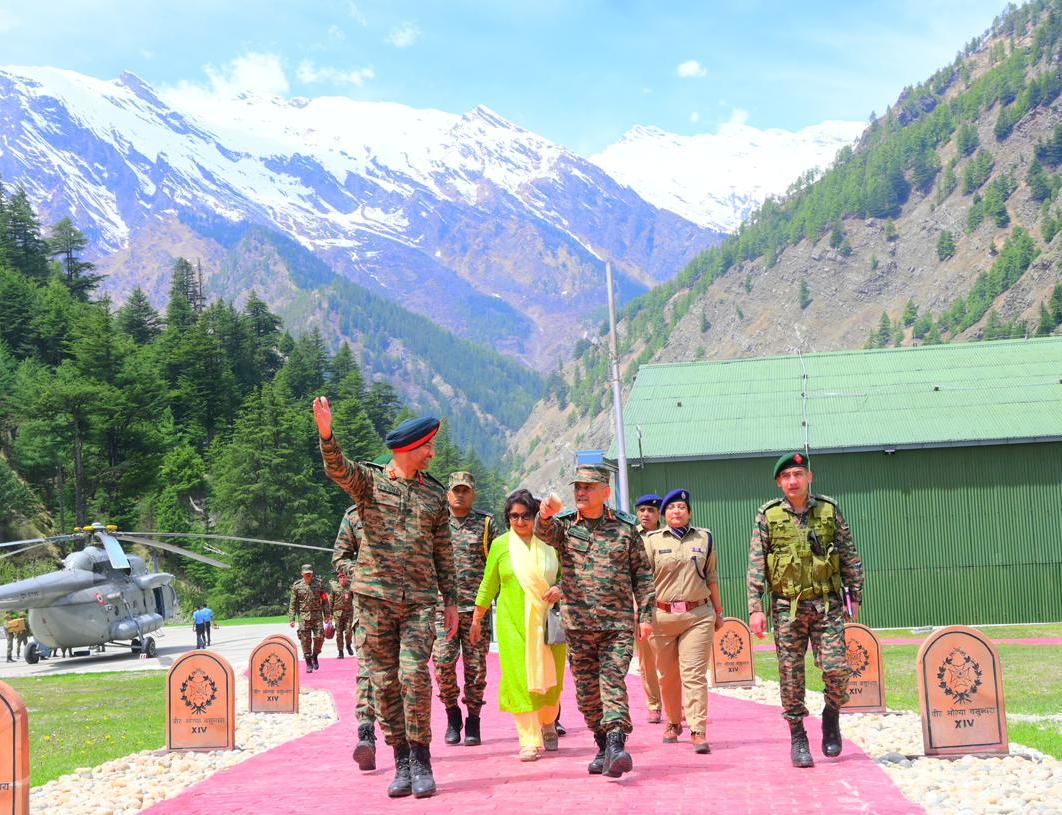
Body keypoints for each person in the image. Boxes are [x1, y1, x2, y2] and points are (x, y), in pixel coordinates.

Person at [315, 397, 458, 799]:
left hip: (417, 603)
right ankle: (400, 761)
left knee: (413, 677)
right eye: (428, 446)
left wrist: (450, 600)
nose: (432, 452)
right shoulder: (371, 482)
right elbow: (338, 469)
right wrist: (327, 433)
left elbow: (443, 551)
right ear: (408, 449)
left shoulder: (434, 495)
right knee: (384, 684)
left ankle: (422, 759)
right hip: (373, 603)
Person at [536, 465, 655, 779]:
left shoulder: (626, 528)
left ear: (606, 491)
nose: (581, 492)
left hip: (616, 625)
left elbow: (642, 575)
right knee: (587, 694)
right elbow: (543, 531)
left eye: (588, 487)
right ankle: (602, 746)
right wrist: (545, 514)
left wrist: (645, 615)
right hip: (578, 625)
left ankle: (617, 744)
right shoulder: (564, 526)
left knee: (612, 680)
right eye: (578, 487)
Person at [747, 452, 864, 768]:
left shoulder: (828, 510)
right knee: (790, 674)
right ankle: (798, 736)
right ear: (779, 482)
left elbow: (849, 554)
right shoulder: (768, 515)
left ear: (809, 477)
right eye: (786, 477)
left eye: (798, 474)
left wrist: (855, 596)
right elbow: (757, 563)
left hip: (827, 604)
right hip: (788, 608)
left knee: (837, 667)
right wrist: (755, 608)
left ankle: (832, 713)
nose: (792, 481)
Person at [471, 489, 566, 761]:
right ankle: (528, 740)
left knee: (552, 681)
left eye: (526, 515)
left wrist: (560, 588)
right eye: (514, 516)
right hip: (512, 624)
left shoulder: (550, 542)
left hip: (548, 623)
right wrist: (477, 617)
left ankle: (548, 722)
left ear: (536, 516)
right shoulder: (501, 545)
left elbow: (568, 576)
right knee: (518, 681)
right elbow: (489, 584)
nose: (520, 521)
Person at [645, 489, 724, 755]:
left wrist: (719, 611)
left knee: (694, 674)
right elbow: (643, 582)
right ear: (664, 514)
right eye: (671, 508)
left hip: (697, 615)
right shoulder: (652, 541)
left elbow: (711, 575)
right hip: (662, 617)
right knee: (667, 676)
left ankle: (698, 729)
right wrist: (641, 615)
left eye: (681, 507)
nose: (676, 511)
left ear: (689, 512)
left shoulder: (705, 537)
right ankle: (673, 721)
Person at [432, 471, 495, 748]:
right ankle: (452, 713)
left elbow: (496, 566)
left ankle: (473, 720)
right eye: (455, 490)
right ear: (447, 493)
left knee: (476, 670)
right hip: (443, 608)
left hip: (475, 610)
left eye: (465, 490)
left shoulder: (485, 524)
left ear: (473, 494)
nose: (460, 494)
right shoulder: (436, 522)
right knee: (443, 665)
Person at [332, 505, 380, 771]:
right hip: (366, 608)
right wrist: (362, 571)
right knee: (366, 672)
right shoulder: (352, 516)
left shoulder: (408, 504)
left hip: (405, 609)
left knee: (403, 676)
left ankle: (408, 745)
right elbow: (339, 557)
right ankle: (366, 736)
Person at [633, 493, 664, 724]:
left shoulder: (667, 535)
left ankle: (677, 702)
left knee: (670, 658)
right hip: (640, 606)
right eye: (642, 510)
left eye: (651, 510)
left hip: (666, 605)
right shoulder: (631, 536)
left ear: (658, 514)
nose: (646, 514)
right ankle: (653, 704)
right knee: (647, 660)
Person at [288, 564, 332, 673]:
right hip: (304, 617)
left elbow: (325, 599)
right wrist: (292, 618)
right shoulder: (297, 586)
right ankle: (308, 662)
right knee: (305, 640)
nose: (308, 576)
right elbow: (293, 603)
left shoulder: (319, 584)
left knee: (320, 637)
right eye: (306, 574)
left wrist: (327, 615)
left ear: (312, 573)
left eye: (310, 574)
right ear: (302, 574)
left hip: (317, 616)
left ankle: (315, 655)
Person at [331, 571, 356, 659]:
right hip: (337, 614)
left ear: (346, 578)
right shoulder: (335, 587)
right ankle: (340, 651)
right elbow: (331, 601)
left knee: (348, 631)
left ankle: (348, 645)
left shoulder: (350, 587)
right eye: (340, 577)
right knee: (338, 634)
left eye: (343, 577)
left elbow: (355, 599)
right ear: (338, 578)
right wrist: (329, 614)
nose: (342, 579)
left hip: (348, 613)